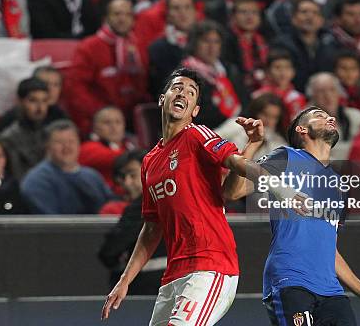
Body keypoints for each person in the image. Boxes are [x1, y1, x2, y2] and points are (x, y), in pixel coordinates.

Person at [101, 67, 267, 325]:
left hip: (210, 264)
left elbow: (235, 164)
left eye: (191, 92)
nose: (183, 94)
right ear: (162, 98)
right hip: (173, 274)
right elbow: (152, 227)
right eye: (177, 88)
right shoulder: (149, 162)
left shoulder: (197, 134)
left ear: (195, 111)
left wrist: (281, 188)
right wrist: (125, 281)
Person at [224, 106, 360, 325]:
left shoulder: (339, 185)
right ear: (301, 129)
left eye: (329, 115)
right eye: (319, 116)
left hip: (331, 291)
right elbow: (233, 191)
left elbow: (329, 250)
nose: (330, 118)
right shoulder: (286, 157)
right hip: (290, 281)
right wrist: (252, 145)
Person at [66, 0, 150, 136]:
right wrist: (100, 112)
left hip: (132, 118)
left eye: (127, 14)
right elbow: (75, 87)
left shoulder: (139, 46)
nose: (122, 19)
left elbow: (143, 83)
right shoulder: (89, 47)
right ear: (106, 18)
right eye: (117, 14)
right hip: (99, 121)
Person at [98, 150, 168, 295]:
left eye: (133, 175)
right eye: (122, 177)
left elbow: (110, 251)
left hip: (148, 287)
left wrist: (116, 262)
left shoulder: (140, 206)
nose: (127, 183)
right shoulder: (173, 195)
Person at [21, 119, 113, 214]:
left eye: (71, 141)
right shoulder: (37, 180)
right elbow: (49, 222)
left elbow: (111, 206)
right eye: (60, 142)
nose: (67, 147)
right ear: (47, 146)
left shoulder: (92, 176)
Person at [180, 21, 248, 128]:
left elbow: (244, 100)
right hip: (202, 131)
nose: (212, 47)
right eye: (206, 41)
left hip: (233, 126)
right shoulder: (185, 74)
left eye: (216, 42)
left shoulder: (229, 70)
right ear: (194, 44)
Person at [272, 0, 332, 91]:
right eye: (304, 12)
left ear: (321, 21)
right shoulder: (282, 44)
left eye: (315, 13)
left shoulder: (329, 43)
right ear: (293, 19)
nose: (310, 17)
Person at [148, 0, 198, 98]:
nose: (182, 12)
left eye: (187, 7)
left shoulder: (208, 41)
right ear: (168, 14)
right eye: (176, 8)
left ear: (195, 12)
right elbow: (163, 87)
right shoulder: (159, 48)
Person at [306, 72, 360, 161]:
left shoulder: (355, 116)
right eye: (321, 91)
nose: (328, 96)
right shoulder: (305, 121)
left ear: (339, 93)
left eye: (332, 90)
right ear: (312, 96)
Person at [0, 77, 50, 180]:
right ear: (19, 101)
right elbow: (18, 178)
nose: (40, 107)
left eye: (44, 101)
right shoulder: (8, 139)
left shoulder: (49, 134)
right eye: (33, 100)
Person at [79, 106, 135, 195]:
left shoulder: (130, 146)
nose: (114, 127)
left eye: (118, 122)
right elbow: (116, 158)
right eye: (107, 122)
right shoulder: (88, 148)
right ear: (95, 127)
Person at [0, 66, 68, 134]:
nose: (51, 90)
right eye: (45, 84)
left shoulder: (60, 116)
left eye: (56, 85)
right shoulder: (13, 120)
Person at [216, 93, 287, 161]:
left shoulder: (279, 145)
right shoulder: (236, 125)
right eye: (265, 114)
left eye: (274, 117)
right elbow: (211, 144)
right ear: (255, 112)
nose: (268, 121)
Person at [252, 48, 306, 126]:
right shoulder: (258, 96)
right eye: (277, 67)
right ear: (268, 72)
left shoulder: (298, 98)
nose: (283, 72)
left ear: (293, 72)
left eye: (287, 67)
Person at [227, 0, 269, 91]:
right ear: (233, 17)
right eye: (243, 12)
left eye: (254, 12)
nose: (249, 17)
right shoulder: (226, 41)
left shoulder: (265, 39)